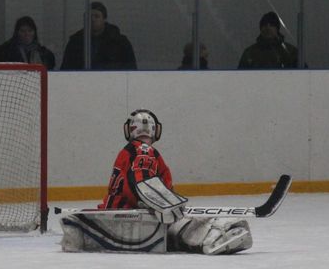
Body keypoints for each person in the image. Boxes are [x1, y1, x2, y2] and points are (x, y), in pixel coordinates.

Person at [60, 109, 253, 255]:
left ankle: (81, 234)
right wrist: (162, 204)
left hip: (112, 211)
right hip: (135, 213)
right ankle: (214, 235)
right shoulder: (145, 151)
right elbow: (142, 181)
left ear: (131, 129)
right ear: (154, 130)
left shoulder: (129, 150)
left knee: (173, 226)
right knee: (178, 222)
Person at [60, 1, 137, 70]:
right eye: (89, 16)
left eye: (96, 16)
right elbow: (65, 70)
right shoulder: (75, 42)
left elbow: (131, 69)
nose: (92, 19)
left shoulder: (120, 42)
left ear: (104, 19)